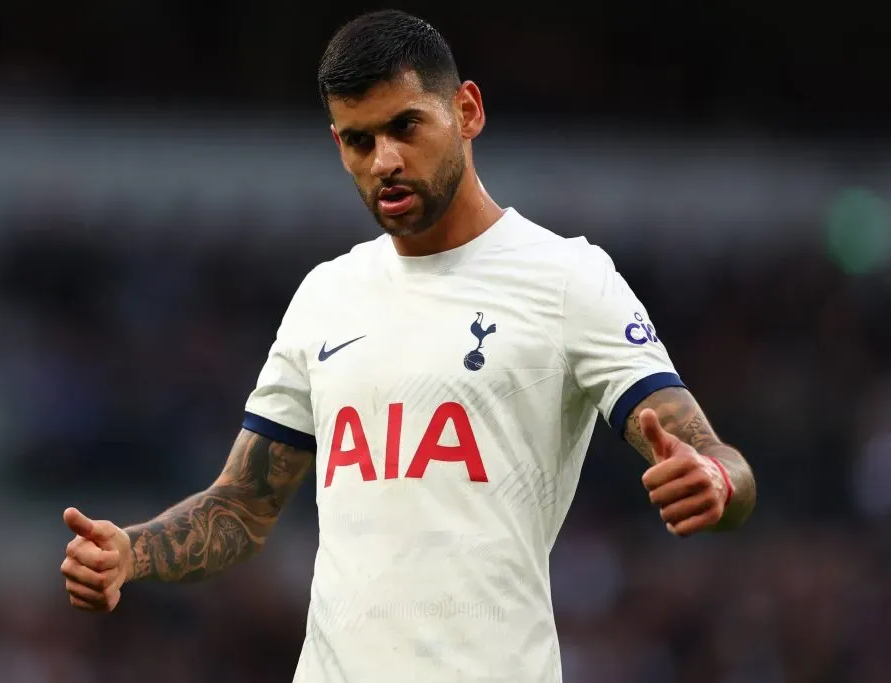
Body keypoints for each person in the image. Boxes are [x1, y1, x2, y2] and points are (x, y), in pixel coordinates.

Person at [60, 9, 757, 682]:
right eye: (360, 140)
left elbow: (721, 461)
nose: (385, 159)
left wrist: (717, 481)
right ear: (340, 147)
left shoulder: (566, 278)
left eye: (406, 126)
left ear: (468, 111)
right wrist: (134, 550)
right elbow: (241, 506)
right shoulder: (327, 294)